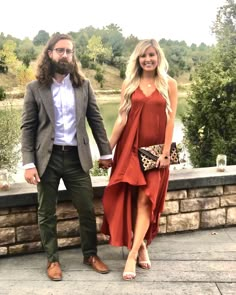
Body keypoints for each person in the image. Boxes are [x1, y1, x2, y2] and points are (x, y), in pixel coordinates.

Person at [21, 33, 112, 281]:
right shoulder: (35, 88)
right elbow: (28, 128)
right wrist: (29, 163)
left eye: (69, 51)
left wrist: (105, 152)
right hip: (45, 160)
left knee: (86, 208)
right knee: (46, 212)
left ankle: (90, 254)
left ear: (73, 55)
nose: (65, 55)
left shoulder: (83, 86)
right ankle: (52, 260)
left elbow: (96, 120)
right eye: (60, 50)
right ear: (49, 53)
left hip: (76, 157)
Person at [100, 39, 178, 281]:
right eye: (143, 56)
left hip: (155, 153)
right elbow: (122, 120)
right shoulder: (129, 84)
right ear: (137, 59)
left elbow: (170, 119)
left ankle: (132, 254)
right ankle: (141, 244)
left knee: (146, 200)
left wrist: (165, 153)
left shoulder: (169, 84)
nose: (148, 59)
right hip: (130, 149)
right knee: (131, 198)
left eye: (152, 55)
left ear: (158, 57)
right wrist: (106, 150)